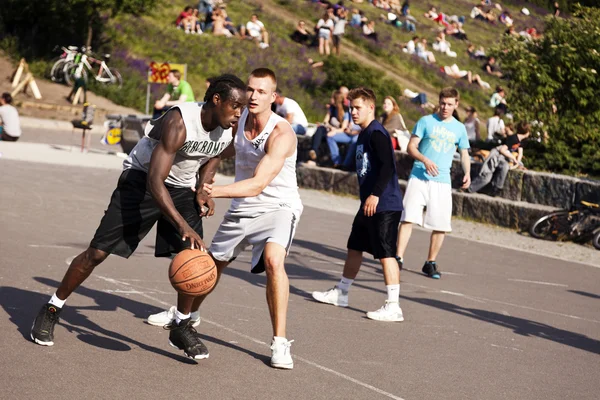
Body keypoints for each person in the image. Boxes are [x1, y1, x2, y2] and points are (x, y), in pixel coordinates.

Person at [30, 75, 248, 360]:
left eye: (243, 108)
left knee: (193, 255)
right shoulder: (179, 122)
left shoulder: (227, 127)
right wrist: (182, 224)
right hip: (142, 181)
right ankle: (52, 308)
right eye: (236, 106)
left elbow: (215, 156)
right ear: (216, 100)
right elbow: (155, 182)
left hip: (181, 188)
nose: (240, 113)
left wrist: (202, 188)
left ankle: (181, 325)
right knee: (96, 253)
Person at [148, 68, 303, 370]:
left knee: (273, 261)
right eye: (250, 90)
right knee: (209, 265)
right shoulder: (238, 119)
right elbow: (222, 150)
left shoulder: (281, 133)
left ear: (274, 97)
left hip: (278, 207)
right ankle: (186, 317)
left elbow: (258, 184)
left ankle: (280, 343)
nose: (253, 96)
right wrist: (210, 172)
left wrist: (211, 191)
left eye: (261, 92)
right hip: (243, 208)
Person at [312, 87, 405, 321]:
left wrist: (374, 194)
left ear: (370, 108)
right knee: (354, 246)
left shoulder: (376, 133)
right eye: (351, 107)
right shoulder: (363, 133)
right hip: (369, 204)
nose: (352, 112)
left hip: (384, 203)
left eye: (357, 108)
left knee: (386, 253)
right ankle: (341, 293)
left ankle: (393, 306)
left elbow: (387, 167)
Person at [396, 87, 471, 279]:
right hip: (419, 177)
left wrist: (467, 172)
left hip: (442, 181)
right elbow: (411, 147)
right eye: (442, 103)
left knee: (441, 224)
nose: (445, 107)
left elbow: (464, 153)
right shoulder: (426, 121)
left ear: (456, 104)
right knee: (408, 218)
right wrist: (424, 159)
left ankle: (430, 262)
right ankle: (398, 258)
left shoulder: (459, 128)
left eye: (449, 104)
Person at [469, 121, 530, 196]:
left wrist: (518, 162)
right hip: (497, 155)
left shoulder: (522, 140)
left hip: (506, 158)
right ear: (527, 132)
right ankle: (469, 188)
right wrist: (513, 159)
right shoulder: (513, 138)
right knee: (487, 177)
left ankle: (497, 188)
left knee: (508, 166)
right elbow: (502, 150)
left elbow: (520, 152)